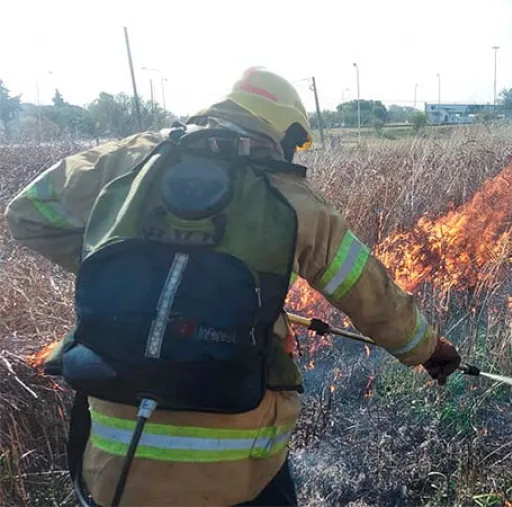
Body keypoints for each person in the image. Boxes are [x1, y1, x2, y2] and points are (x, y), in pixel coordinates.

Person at [5, 67, 461, 506]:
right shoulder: (290, 195)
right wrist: (428, 349)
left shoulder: (131, 158)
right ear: (283, 134)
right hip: (237, 469)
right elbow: (372, 295)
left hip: (115, 465)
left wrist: (130, 276)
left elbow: (27, 214)